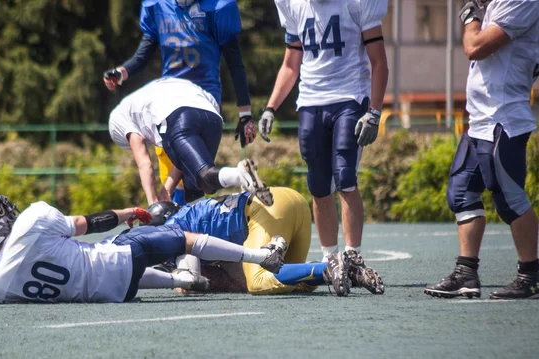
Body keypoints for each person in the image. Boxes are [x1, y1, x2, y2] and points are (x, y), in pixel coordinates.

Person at [258, 0, 389, 295]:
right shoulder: (292, 4)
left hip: (349, 98)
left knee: (344, 178)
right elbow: (292, 62)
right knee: (318, 184)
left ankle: (353, 257)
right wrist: (270, 106)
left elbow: (378, 60)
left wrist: (375, 111)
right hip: (310, 102)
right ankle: (331, 259)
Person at [0, 193, 286, 304]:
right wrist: (129, 214)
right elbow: (87, 223)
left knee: (113, 271)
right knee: (183, 237)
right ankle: (262, 256)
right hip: (116, 258)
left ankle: (181, 280)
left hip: (106, 293)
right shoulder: (30, 221)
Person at [424, 0, 539, 300]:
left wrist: (470, 17)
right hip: (482, 118)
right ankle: (466, 273)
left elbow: (475, 46)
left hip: (504, 118)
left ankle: (531, 276)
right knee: (461, 193)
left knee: (510, 199)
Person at [103, 0, 257, 203]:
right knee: (192, 185)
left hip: (203, 99)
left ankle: (179, 223)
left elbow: (235, 63)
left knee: (194, 185)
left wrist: (245, 113)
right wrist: (121, 73)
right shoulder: (159, 6)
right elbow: (144, 53)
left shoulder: (216, 8)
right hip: (168, 103)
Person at [147, 187, 384, 296]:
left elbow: (188, 285)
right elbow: (236, 279)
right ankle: (349, 271)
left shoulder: (173, 229)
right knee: (293, 283)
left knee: (258, 283)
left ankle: (328, 265)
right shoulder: (190, 216)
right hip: (291, 201)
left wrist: (173, 273)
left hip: (263, 211)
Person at [109, 77, 273, 206]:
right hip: (212, 116)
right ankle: (244, 191)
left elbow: (145, 164)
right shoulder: (148, 95)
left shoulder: (120, 119)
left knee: (204, 176)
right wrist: (166, 192)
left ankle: (240, 175)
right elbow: (181, 159)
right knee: (200, 187)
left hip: (179, 117)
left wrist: (153, 205)